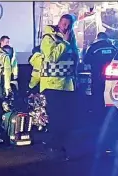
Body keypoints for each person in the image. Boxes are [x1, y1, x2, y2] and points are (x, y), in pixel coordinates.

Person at [38, 14, 79, 160]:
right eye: (63, 23)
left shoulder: (71, 38)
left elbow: (75, 58)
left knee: (65, 118)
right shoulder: (49, 37)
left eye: (68, 24)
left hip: (67, 84)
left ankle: (59, 145)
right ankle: (54, 147)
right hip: (52, 84)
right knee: (56, 117)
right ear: (59, 23)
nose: (65, 26)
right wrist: (65, 43)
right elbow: (52, 58)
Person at [83, 32, 117, 114]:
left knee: (97, 92)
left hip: (97, 74)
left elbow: (86, 60)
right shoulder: (113, 48)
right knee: (110, 92)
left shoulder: (93, 47)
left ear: (97, 38)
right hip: (111, 75)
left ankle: (98, 111)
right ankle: (109, 110)